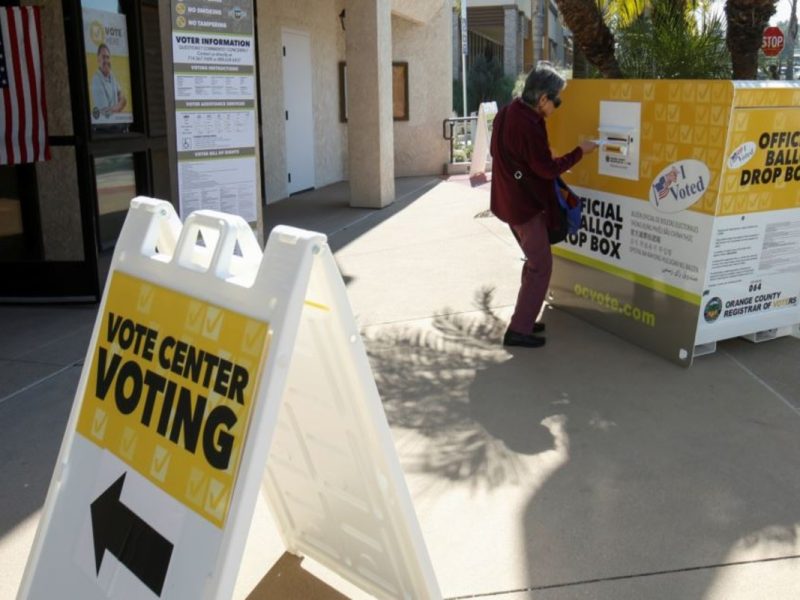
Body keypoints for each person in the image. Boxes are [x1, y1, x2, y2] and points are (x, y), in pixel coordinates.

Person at [490, 63, 597, 348]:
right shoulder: (529, 125)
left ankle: (524, 319)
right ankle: (518, 331)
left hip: (509, 202)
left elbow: (501, 152)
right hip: (526, 207)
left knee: (534, 262)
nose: (557, 106)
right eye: (557, 100)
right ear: (542, 99)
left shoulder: (507, 113)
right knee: (541, 266)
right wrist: (580, 152)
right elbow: (547, 169)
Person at [91, 43, 127, 118]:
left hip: (117, 123)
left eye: (108, 57)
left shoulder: (112, 75)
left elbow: (123, 99)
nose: (106, 60)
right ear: (98, 59)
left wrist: (115, 107)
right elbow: (105, 112)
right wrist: (119, 106)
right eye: (103, 57)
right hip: (104, 126)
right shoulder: (96, 80)